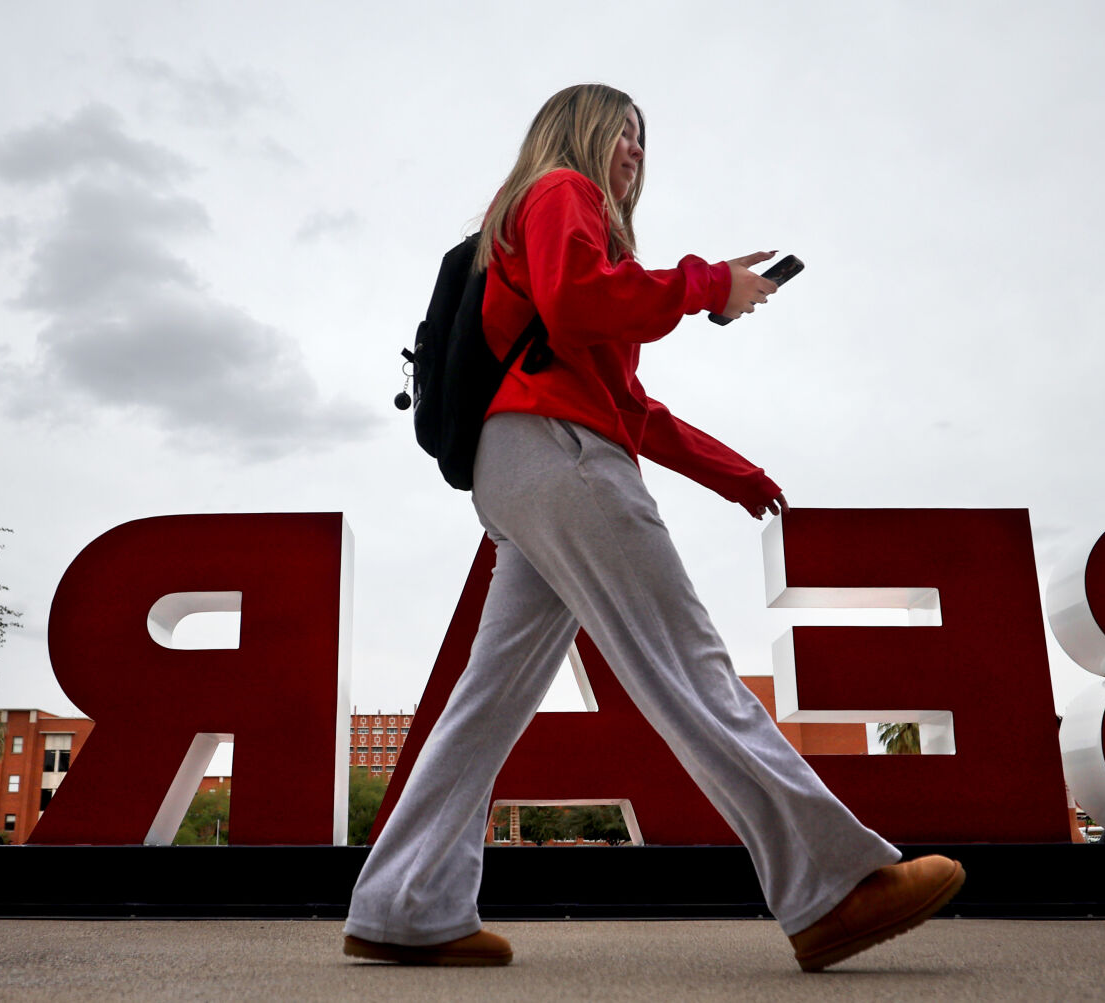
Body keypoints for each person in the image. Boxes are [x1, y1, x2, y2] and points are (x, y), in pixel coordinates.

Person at [343, 83, 965, 972]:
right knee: (685, 661)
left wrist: (732, 472)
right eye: (620, 132)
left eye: (642, 138)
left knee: (487, 701)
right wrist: (708, 282)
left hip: (516, 467)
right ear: (578, 132)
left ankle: (404, 903)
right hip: (561, 457)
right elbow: (580, 301)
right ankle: (834, 885)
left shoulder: (546, 220)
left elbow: (630, 402)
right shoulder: (562, 191)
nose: (633, 150)